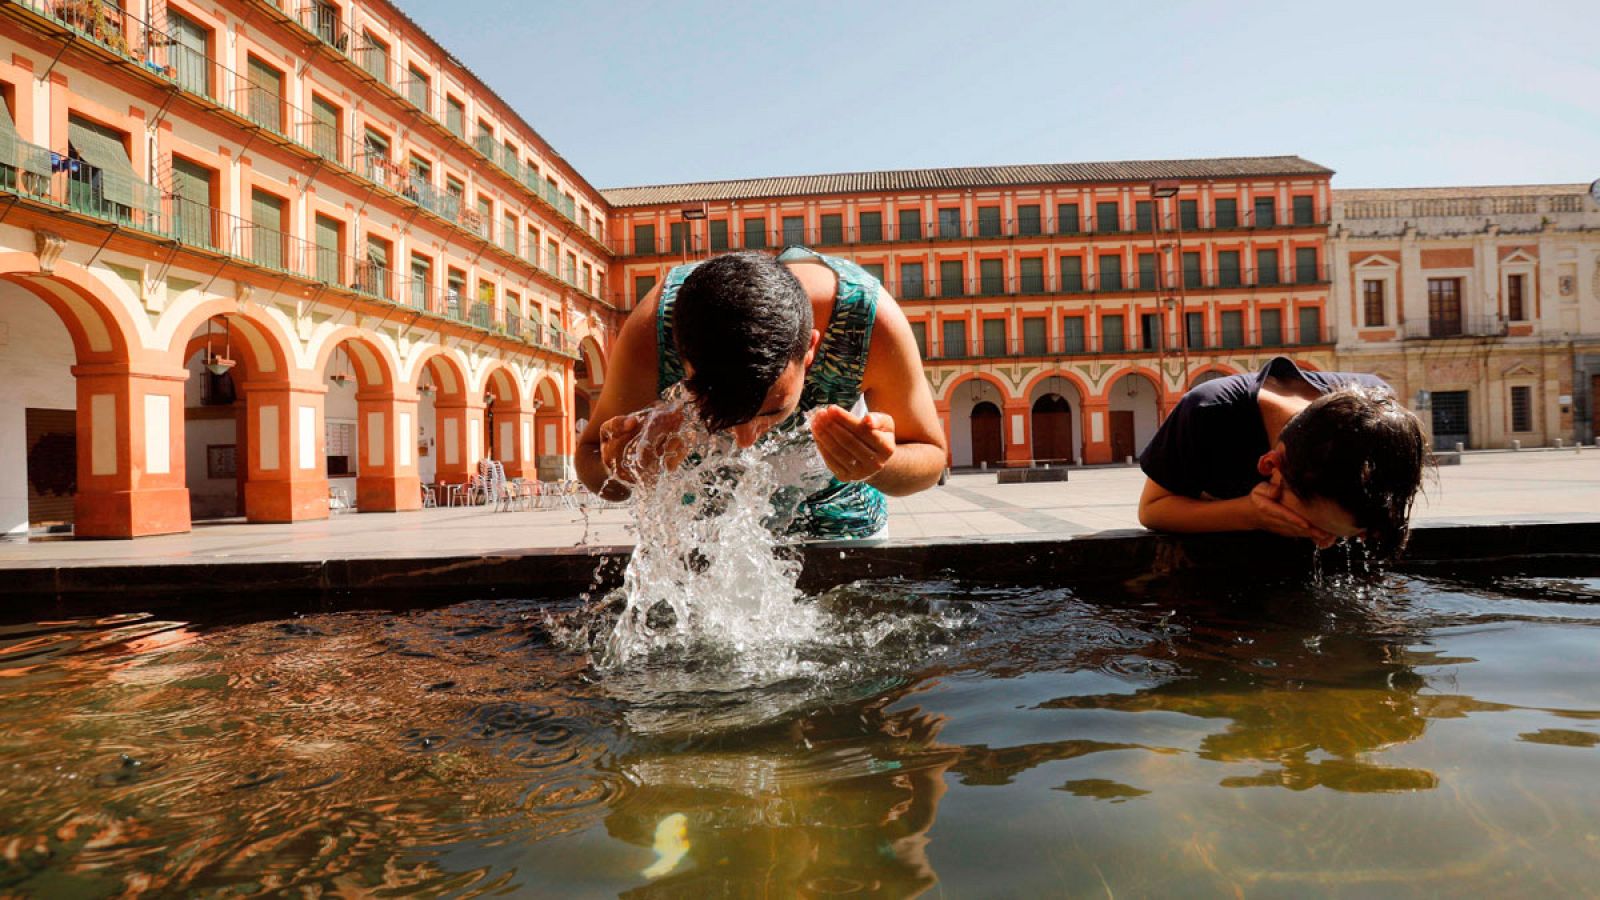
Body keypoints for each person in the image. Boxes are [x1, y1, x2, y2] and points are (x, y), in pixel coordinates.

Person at [576, 248, 947, 539]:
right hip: (698, 537)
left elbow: (931, 458)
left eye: (770, 413)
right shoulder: (653, 329)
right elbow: (591, 459)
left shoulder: (867, 321)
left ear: (811, 350)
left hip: (842, 530)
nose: (745, 439)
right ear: (682, 359)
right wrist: (624, 466)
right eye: (718, 412)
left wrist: (878, 463)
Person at [1137, 356, 1428, 558]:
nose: (1324, 543)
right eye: (1314, 526)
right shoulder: (1209, 412)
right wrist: (1250, 514)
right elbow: (1153, 509)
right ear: (1271, 465)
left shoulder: (1380, 417)